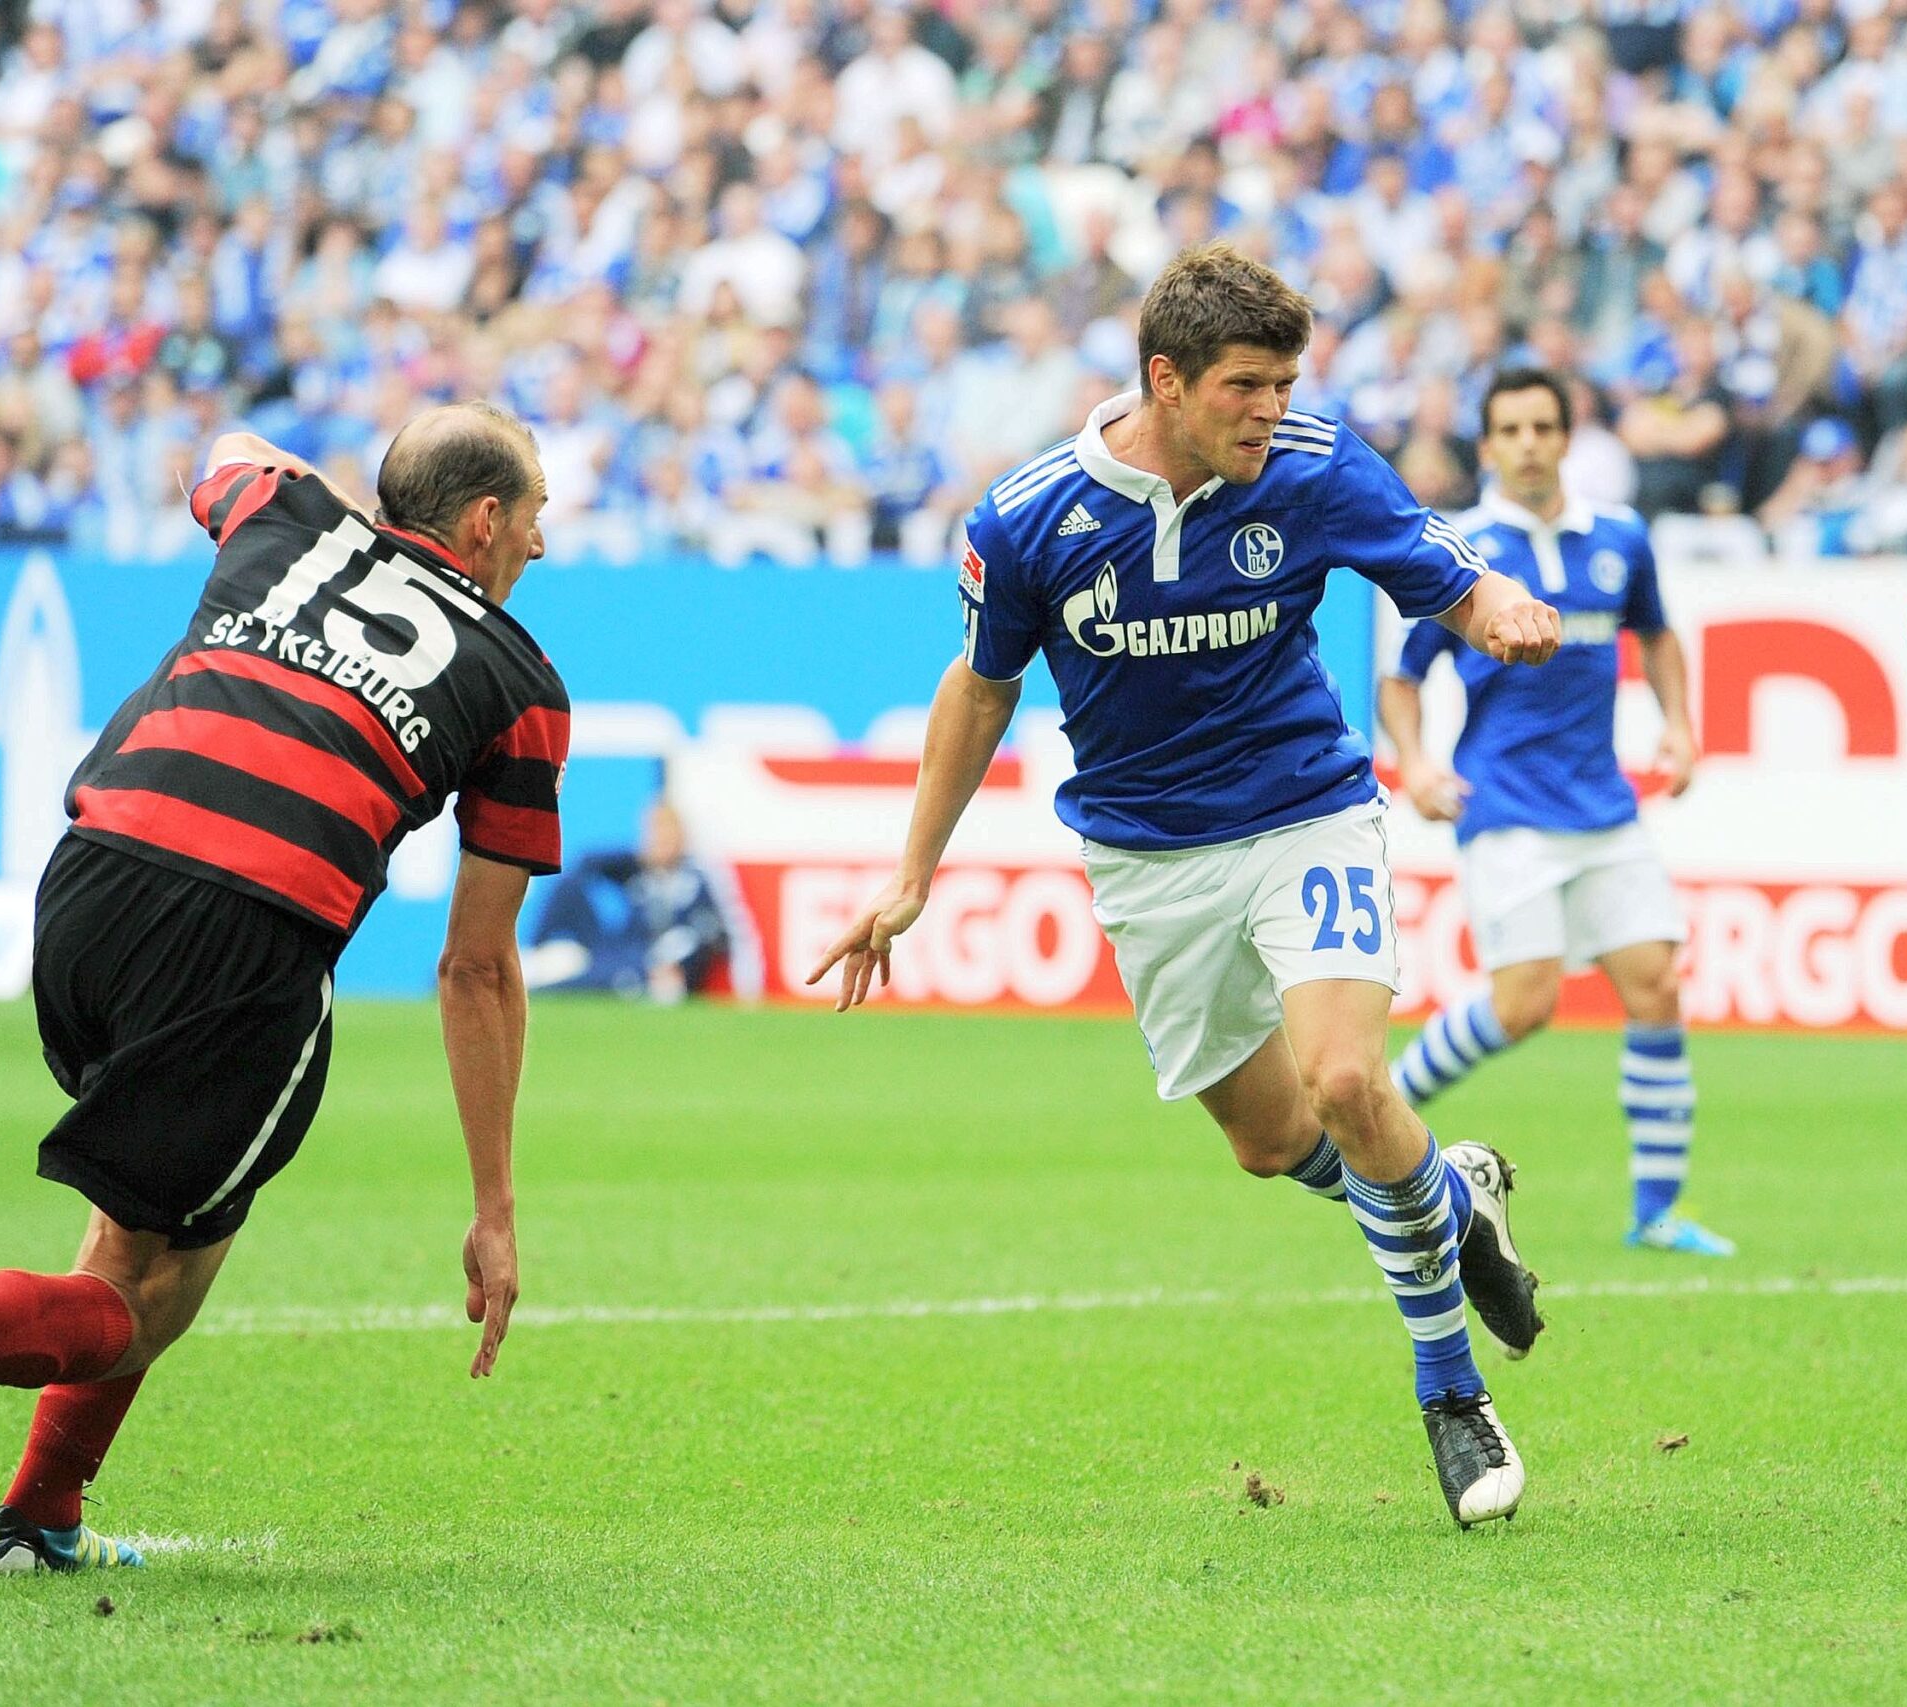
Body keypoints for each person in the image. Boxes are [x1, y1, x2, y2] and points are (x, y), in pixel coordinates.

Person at [810, 245, 1564, 1528]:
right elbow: (982, 686)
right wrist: (911, 873)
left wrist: (1495, 605)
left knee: (1343, 1081)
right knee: (1273, 1142)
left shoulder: (1315, 467)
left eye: (1285, 382)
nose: (1273, 409)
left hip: (1304, 814)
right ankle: (1452, 1191)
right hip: (1148, 856)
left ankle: (1448, 1390)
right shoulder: (1026, 516)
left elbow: (1439, 563)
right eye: (1246, 386)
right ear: (1165, 381)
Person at [0, 403, 569, 1574]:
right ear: (487, 519)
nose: (541, 544)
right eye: (535, 512)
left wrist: (340, 521)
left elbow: (230, 446)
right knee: (145, 1298)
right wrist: (493, 1206)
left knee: (140, 1222)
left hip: (86, 888)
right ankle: (42, 1510)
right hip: (242, 944)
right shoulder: (520, 681)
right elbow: (478, 965)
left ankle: (42, 1519)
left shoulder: (282, 515)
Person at [1376, 369, 1727, 1257]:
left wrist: (1680, 729)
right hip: (1506, 807)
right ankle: (1380, 1109)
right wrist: (1415, 763)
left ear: (1567, 437)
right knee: (1522, 1005)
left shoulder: (1620, 537)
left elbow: (1657, 634)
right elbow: (1401, 677)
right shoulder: (1460, 551)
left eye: (1543, 425)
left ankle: (1656, 1213)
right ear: (1488, 446)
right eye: (1511, 429)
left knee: (1655, 986)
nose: (1529, 441)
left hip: (1603, 806)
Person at [525, 799, 731, 1000]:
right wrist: (638, 857)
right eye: (655, 834)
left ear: (681, 839)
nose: (660, 842)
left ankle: (539, 989)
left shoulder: (693, 882)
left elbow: (712, 934)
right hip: (615, 947)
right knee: (568, 885)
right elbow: (586, 862)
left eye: (667, 836)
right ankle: (534, 957)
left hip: (653, 964)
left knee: (602, 979)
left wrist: (675, 964)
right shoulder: (637, 869)